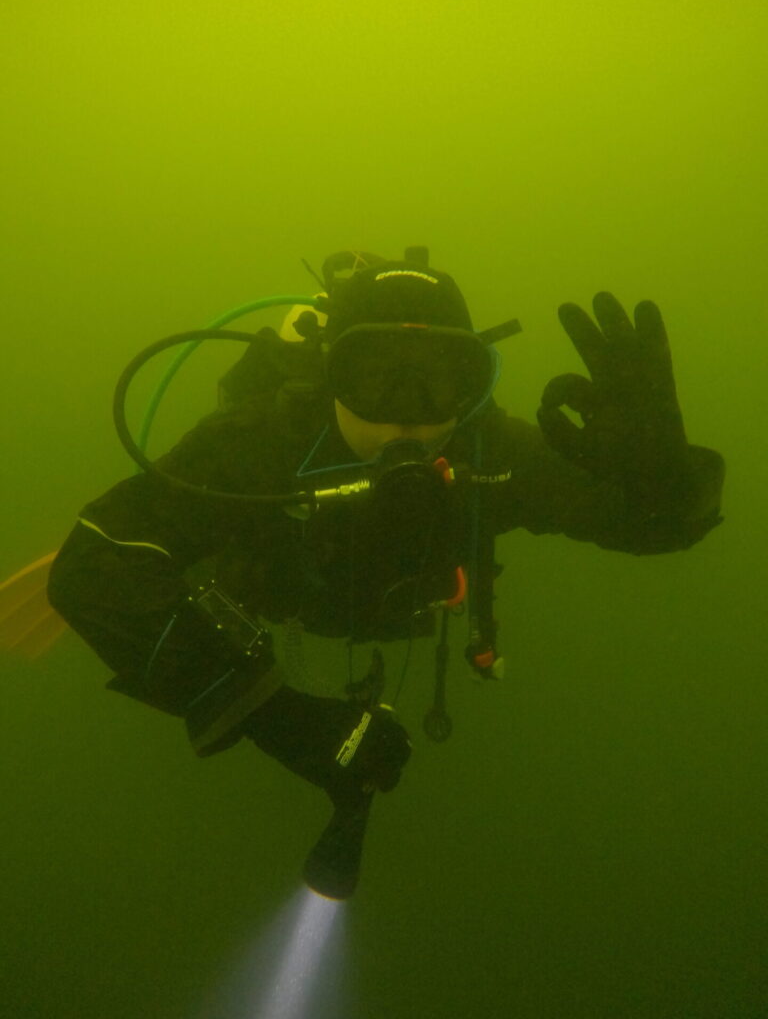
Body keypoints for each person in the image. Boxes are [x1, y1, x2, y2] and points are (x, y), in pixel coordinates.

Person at [47, 247, 725, 815]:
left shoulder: (491, 454)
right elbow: (90, 565)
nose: (407, 415)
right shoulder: (263, 445)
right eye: (373, 376)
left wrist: (663, 481)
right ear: (329, 377)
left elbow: (655, 529)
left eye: (438, 381)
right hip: (263, 609)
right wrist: (273, 716)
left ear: (473, 387)